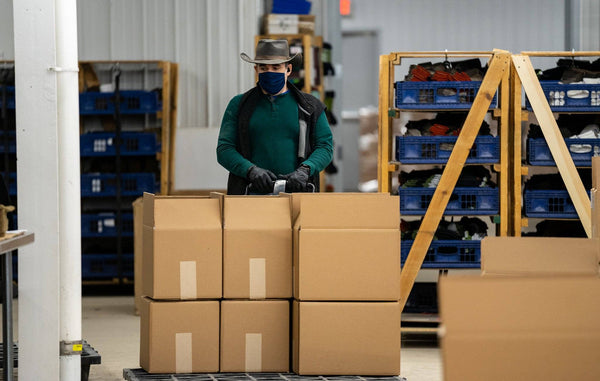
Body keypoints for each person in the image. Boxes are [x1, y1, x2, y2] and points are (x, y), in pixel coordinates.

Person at [217, 39, 333, 195]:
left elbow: (325, 147)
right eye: (263, 67)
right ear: (256, 69)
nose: (269, 72)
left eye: (276, 67)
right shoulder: (239, 105)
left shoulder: (310, 107)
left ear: (288, 69)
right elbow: (224, 149)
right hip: (249, 195)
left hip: (297, 194)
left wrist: (306, 169)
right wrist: (250, 170)